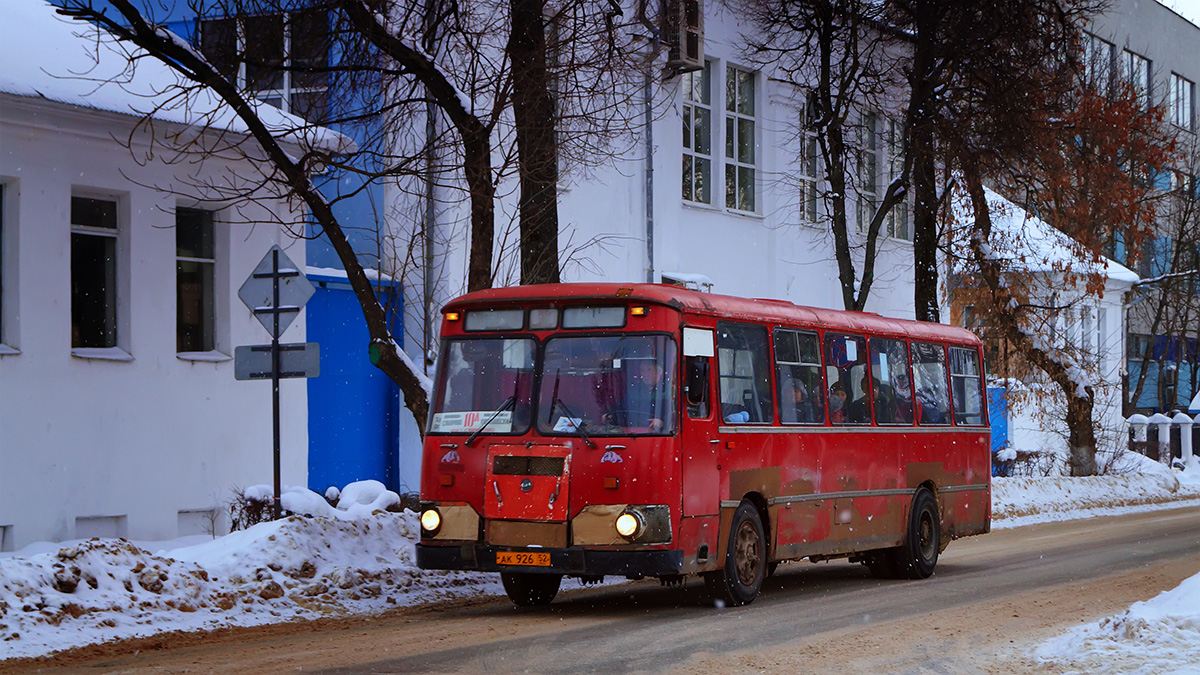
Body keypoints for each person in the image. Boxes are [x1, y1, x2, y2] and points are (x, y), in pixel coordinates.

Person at [606, 358, 668, 431]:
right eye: (642, 371)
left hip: (659, 434)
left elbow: (673, 415)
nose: (645, 374)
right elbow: (621, 407)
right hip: (633, 432)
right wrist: (609, 415)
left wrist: (662, 422)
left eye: (649, 370)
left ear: (659, 372)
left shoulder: (668, 390)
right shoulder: (635, 390)